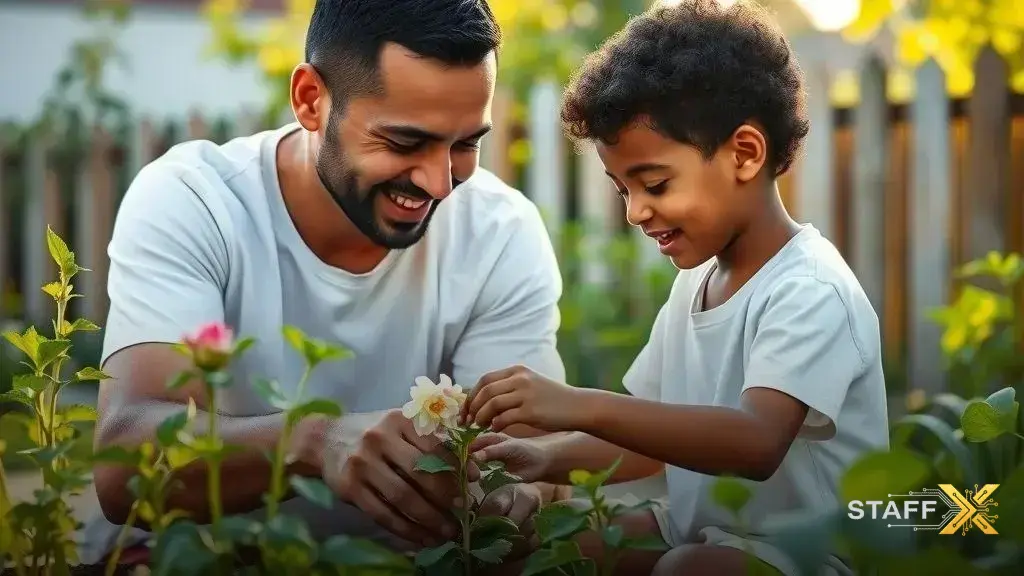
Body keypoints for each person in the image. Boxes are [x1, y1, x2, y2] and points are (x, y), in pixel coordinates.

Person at [82, 0, 567, 566]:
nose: (440, 182)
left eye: (465, 144)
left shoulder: (500, 232)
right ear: (311, 99)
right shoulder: (196, 201)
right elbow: (124, 466)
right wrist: (313, 443)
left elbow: (534, 461)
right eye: (404, 142)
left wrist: (517, 498)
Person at [460, 1, 890, 575]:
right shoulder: (695, 283)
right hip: (702, 533)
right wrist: (541, 457)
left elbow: (755, 443)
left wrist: (577, 404)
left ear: (744, 154)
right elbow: (648, 440)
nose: (635, 212)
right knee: (537, 546)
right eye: (623, 190)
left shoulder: (809, 288)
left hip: (806, 555)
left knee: (687, 569)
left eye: (655, 184)